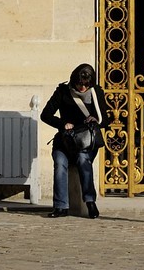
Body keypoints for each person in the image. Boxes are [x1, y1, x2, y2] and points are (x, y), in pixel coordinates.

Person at [40, 62, 111, 218]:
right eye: (80, 84)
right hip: (65, 141)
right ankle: (60, 206)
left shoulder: (96, 92)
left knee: (83, 159)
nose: (83, 88)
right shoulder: (63, 91)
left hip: (85, 142)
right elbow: (45, 115)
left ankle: (90, 202)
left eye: (86, 85)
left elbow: (107, 118)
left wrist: (96, 120)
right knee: (60, 164)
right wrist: (62, 124)